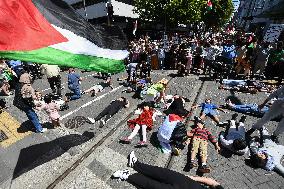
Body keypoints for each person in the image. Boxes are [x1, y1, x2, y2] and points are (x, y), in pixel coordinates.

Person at [112, 151, 224, 189]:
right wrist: (193, 178)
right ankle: (135, 164)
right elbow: (212, 182)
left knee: (151, 185)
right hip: (187, 182)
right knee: (160, 172)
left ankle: (127, 175)